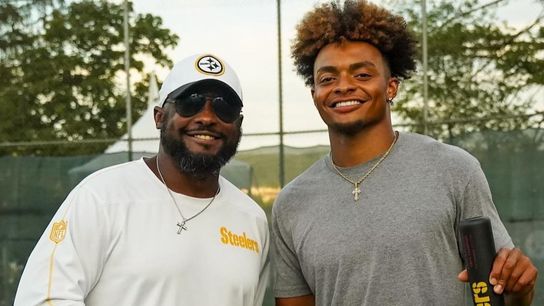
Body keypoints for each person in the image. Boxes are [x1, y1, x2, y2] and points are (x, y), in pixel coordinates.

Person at [271, 1, 537, 305]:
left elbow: (498, 293)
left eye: (361, 75)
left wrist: (521, 289)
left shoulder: (453, 170)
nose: (343, 86)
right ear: (315, 95)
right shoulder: (291, 203)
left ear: (391, 87)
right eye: (327, 79)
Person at [15, 53, 270, 306]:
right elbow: (42, 298)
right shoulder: (101, 197)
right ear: (159, 116)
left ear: (239, 124)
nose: (207, 117)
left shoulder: (253, 220)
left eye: (225, 107)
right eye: (190, 102)